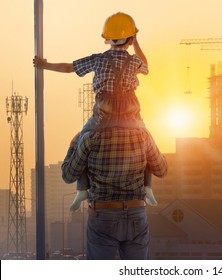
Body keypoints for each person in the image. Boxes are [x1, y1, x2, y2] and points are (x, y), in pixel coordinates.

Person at [33, 12, 158, 210]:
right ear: (131, 38)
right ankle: (148, 188)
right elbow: (146, 66)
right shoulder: (134, 61)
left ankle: (82, 190)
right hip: (130, 116)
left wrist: (44, 65)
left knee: (79, 140)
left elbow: (69, 68)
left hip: (103, 117)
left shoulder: (98, 59)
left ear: (108, 39)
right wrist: (137, 43)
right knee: (148, 142)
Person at [61, 96, 168, 259]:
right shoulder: (142, 136)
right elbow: (162, 170)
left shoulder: (90, 137)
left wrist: (72, 145)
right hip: (136, 212)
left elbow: (68, 175)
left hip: (103, 214)